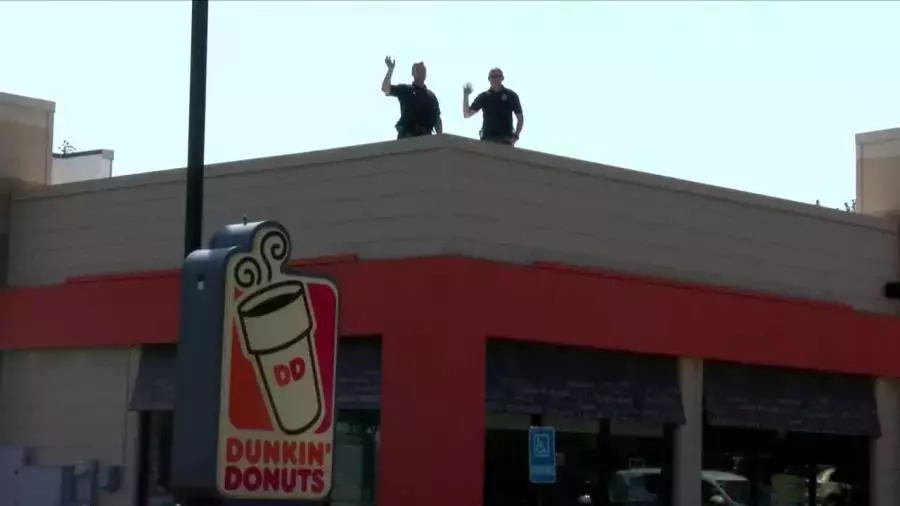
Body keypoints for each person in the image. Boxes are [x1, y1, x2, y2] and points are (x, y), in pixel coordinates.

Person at [381, 56, 442, 139]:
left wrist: (440, 139)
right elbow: (385, 89)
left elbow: (437, 119)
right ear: (412, 73)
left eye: (423, 71)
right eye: (419, 71)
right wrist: (390, 70)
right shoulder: (405, 90)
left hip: (426, 140)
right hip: (407, 138)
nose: (422, 73)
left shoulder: (431, 96)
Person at [462, 67, 524, 146]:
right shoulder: (484, 96)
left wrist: (516, 136)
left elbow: (520, 118)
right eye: (492, 77)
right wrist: (466, 95)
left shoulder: (511, 95)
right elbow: (467, 114)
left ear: (502, 78)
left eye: (497, 76)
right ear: (489, 79)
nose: (495, 79)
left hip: (505, 139)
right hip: (487, 138)